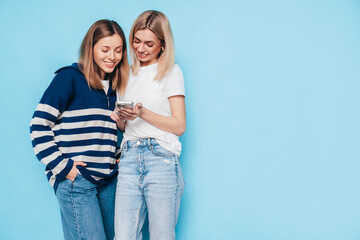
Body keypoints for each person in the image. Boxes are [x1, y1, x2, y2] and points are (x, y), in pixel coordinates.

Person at [30, 19, 129, 240]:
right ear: (91, 47)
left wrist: (119, 157)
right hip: (78, 179)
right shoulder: (69, 78)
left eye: (118, 50)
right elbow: (38, 125)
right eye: (105, 49)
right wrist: (64, 168)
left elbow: (106, 135)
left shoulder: (115, 89)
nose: (112, 56)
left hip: (108, 180)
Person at [111, 10, 186, 240]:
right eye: (136, 41)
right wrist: (121, 119)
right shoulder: (126, 74)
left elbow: (179, 125)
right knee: (123, 236)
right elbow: (126, 128)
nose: (141, 48)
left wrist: (143, 113)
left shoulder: (171, 72)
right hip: (129, 157)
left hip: (160, 158)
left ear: (162, 44)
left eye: (149, 43)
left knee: (161, 235)